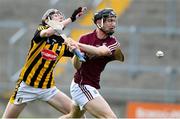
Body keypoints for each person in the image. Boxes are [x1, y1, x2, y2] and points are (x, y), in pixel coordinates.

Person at [2, 7, 85, 118]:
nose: (60, 16)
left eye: (61, 15)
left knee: (78, 115)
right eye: (55, 15)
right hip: (27, 86)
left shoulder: (64, 42)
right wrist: (72, 18)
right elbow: (48, 33)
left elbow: (78, 65)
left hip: (47, 88)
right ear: (47, 20)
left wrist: (77, 52)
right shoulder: (41, 30)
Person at [61, 8, 124, 118]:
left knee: (72, 117)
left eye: (114, 21)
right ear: (99, 23)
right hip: (82, 85)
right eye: (109, 21)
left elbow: (101, 51)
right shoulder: (85, 38)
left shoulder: (113, 42)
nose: (113, 24)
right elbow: (77, 66)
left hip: (89, 84)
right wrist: (76, 53)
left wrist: (77, 45)